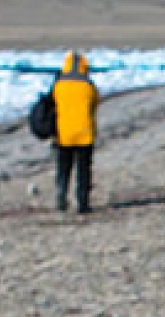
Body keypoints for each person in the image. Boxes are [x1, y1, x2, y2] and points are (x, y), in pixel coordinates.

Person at [49, 52, 100, 214]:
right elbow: (95, 102)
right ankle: (83, 203)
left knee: (64, 168)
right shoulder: (88, 85)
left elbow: (53, 104)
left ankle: (61, 196)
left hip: (64, 134)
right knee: (83, 170)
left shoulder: (58, 85)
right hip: (85, 133)